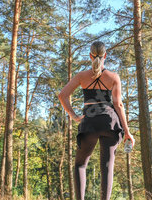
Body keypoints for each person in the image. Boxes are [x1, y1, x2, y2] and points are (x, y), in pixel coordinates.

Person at [58, 41, 135, 200]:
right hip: (110, 123)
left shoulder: (82, 76)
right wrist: (127, 132)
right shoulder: (113, 77)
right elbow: (118, 105)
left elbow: (62, 95)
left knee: (80, 165)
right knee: (107, 167)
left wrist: (74, 116)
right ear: (105, 55)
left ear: (90, 56)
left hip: (89, 123)